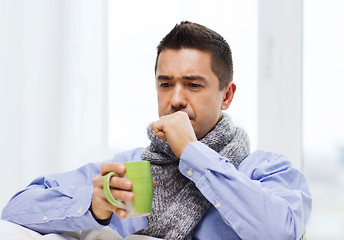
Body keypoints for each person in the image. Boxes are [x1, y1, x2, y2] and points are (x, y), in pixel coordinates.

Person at [1, 21, 311, 240]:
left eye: (193, 85)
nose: (176, 99)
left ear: (227, 96)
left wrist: (194, 154)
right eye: (166, 84)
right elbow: (15, 210)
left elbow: (280, 233)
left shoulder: (265, 170)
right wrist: (93, 205)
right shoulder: (126, 170)